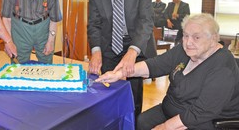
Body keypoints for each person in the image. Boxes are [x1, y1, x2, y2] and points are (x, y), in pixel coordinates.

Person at [96, 13, 239, 130]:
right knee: (142, 121)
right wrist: (120, 73)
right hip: (171, 108)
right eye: (186, 35)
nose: (188, 42)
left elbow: (201, 112)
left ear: (213, 39)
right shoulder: (185, 50)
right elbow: (155, 65)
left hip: (204, 120)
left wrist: (165, 127)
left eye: (196, 37)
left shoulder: (223, 67)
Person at [87, 0, 154, 117]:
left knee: (133, 97)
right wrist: (95, 51)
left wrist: (132, 52)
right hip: (109, 45)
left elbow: (146, 21)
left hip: (134, 43)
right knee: (109, 93)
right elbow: (94, 23)